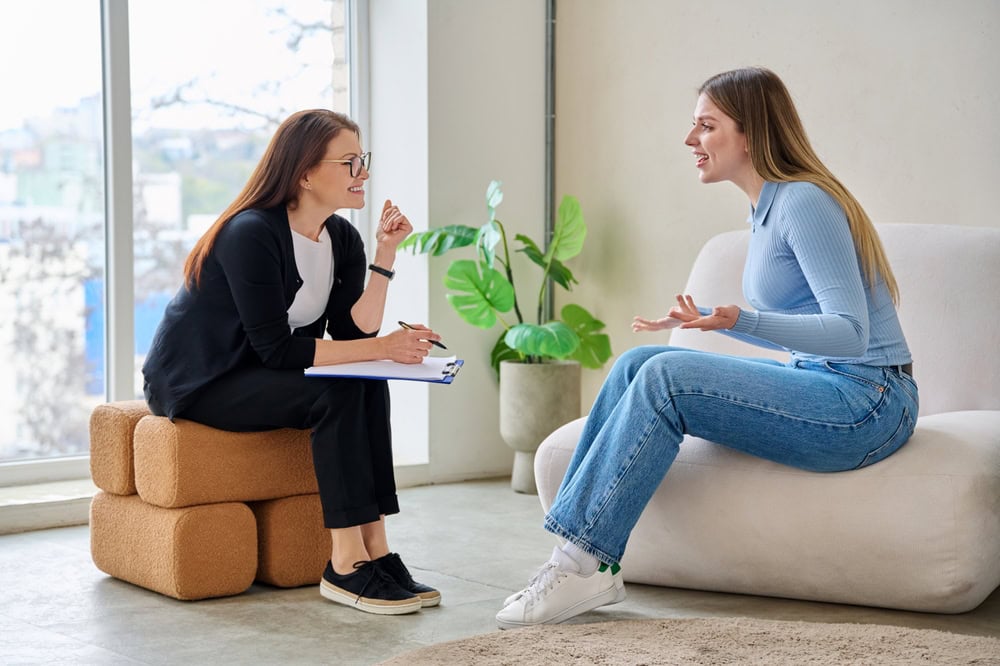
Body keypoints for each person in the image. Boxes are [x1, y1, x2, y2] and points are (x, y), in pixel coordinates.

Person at [496, 67, 919, 629]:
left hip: (869, 402)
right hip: (831, 383)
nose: (690, 140)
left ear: (750, 133)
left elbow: (850, 334)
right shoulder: (766, 210)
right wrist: (723, 322)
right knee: (638, 364)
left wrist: (741, 319)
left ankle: (581, 564)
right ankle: (573, 556)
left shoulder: (803, 203)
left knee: (664, 380)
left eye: (706, 126)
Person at [142, 109, 443, 616]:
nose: (363, 172)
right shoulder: (251, 233)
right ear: (304, 173)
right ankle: (344, 565)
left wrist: (386, 256)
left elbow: (353, 335)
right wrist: (382, 348)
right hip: (204, 380)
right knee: (340, 387)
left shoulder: (342, 238)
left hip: (263, 371)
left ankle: (378, 551)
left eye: (362, 159)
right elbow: (277, 349)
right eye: (350, 162)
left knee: (367, 382)